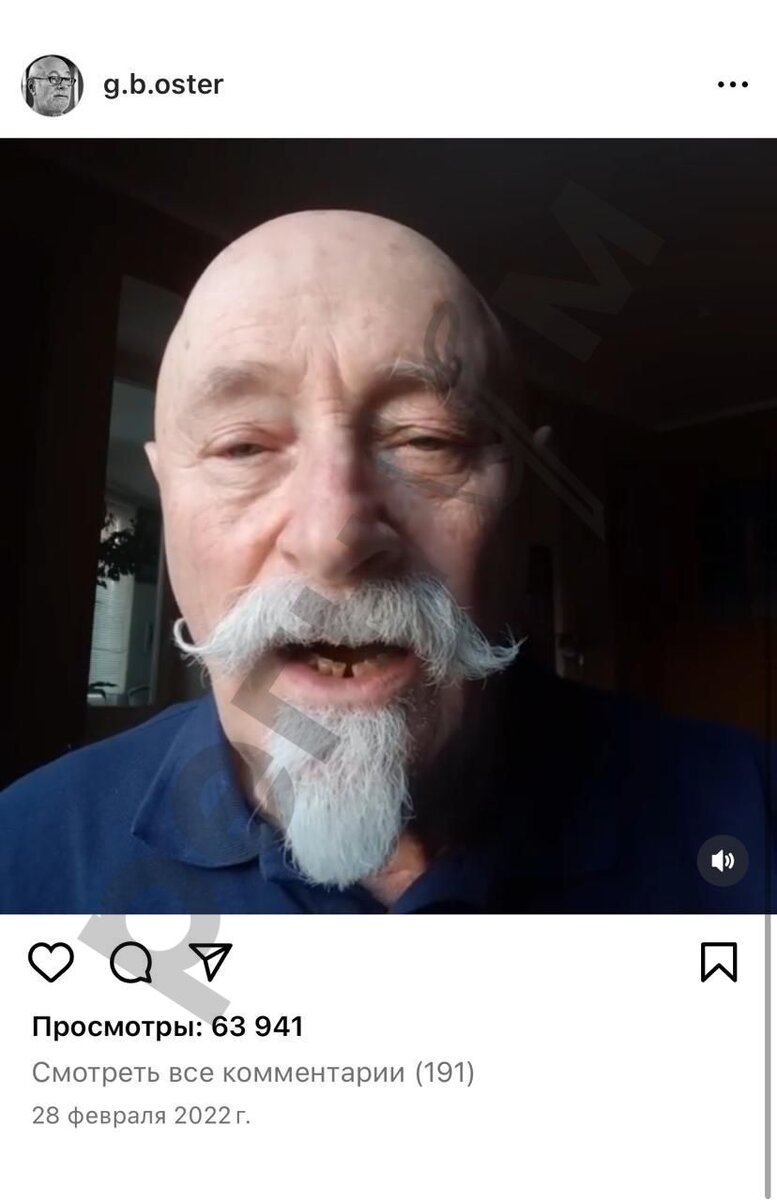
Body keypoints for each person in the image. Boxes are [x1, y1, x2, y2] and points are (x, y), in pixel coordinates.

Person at [0, 211, 773, 914]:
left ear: (525, 501)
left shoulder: (750, 815)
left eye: (427, 440)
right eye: (242, 448)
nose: (333, 539)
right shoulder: (26, 857)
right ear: (167, 494)